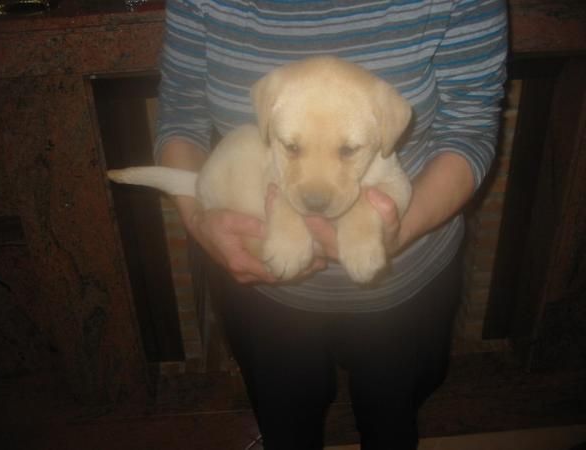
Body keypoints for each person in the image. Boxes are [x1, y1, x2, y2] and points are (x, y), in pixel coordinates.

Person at [155, 1, 508, 449]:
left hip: (406, 285)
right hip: (265, 289)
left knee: (393, 422)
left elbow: (471, 126)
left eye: (348, 151)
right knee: (286, 426)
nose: (316, 192)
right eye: (292, 147)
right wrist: (199, 221)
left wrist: (394, 231)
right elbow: (180, 114)